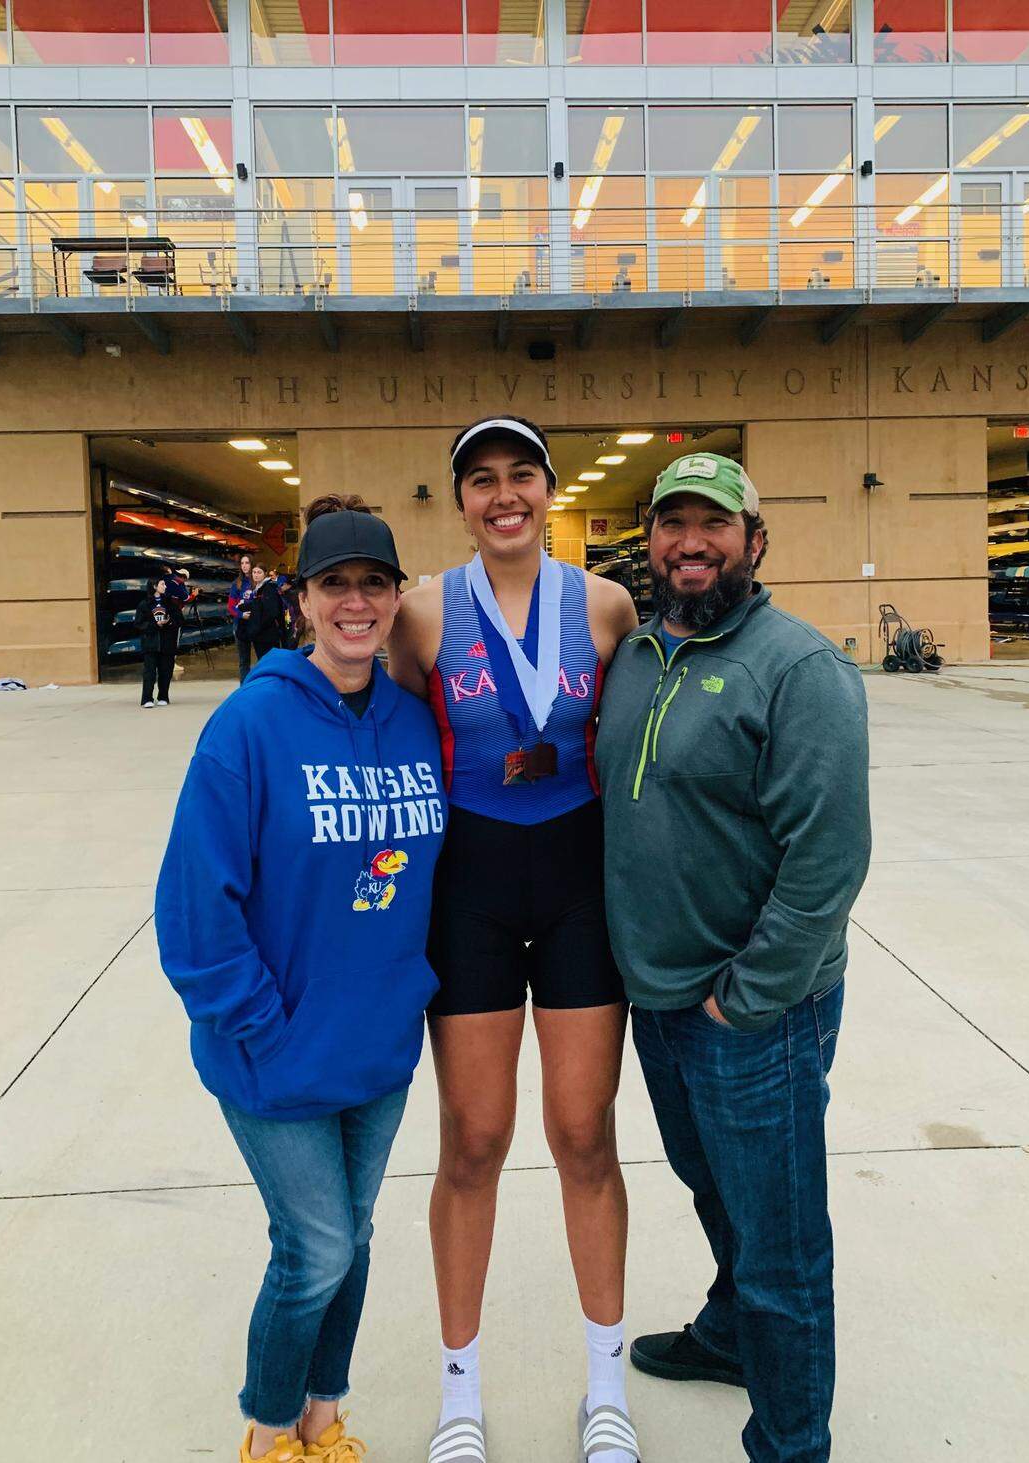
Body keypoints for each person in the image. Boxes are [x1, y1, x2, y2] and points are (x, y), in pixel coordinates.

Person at [156, 494, 447, 1463]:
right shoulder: (250, 726)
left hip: (379, 1046)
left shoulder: (416, 725)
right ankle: (269, 1428)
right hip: (274, 1052)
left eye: (374, 583)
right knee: (314, 1246)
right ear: (302, 600)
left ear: (398, 597)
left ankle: (325, 1417)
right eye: (335, 584)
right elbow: (196, 910)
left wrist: (416, 989)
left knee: (354, 1239)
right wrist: (263, 1027)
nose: (355, 602)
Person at [595, 453, 872, 1463]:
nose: (691, 542)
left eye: (716, 524)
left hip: (755, 1010)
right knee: (713, 1184)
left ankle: (791, 1441)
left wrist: (745, 998)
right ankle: (729, 1333)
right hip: (658, 997)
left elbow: (829, 857)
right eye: (673, 523)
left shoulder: (799, 668)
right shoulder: (632, 654)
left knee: (783, 1247)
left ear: (756, 541)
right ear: (653, 542)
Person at [389, 415, 640, 1463]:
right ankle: (460, 1393)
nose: (504, 495)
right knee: (475, 1142)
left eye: (521, 476)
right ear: (460, 501)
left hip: (579, 884)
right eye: (482, 480)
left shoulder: (609, 604)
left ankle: (606, 1386)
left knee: (584, 1136)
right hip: (473, 888)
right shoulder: (419, 612)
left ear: (548, 488)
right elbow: (388, 733)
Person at [134, 575, 183, 708]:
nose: (165, 586)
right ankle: (146, 699)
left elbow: (179, 620)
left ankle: (163, 696)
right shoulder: (144, 604)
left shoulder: (170, 603)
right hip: (151, 644)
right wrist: (155, 625)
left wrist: (169, 622)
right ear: (155, 586)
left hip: (167, 644)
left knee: (166, 671)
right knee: (149, 672)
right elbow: (138, 624)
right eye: (162, 584)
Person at [242, 561, 285, 663]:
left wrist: (257, 627)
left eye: (259, 572)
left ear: (265, 573)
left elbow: (272, 612)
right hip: (261, 635)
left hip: (267, 636)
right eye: (254, 572)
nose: (256, 575)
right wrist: (242, 606)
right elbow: (259, 606)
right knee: (264, 662)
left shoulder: (268, 588)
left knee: (269, 664)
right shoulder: (259, 589)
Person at [229, 553, 256, 684]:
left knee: (263, 658)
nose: (245, 566)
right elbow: (230, 607)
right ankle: (244, 688)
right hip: (240, 625)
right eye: (242, 563)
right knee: (244, 660)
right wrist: (241, 615)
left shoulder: (257, 582)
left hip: (257, 624)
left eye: (247, 563)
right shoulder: (237, 584)